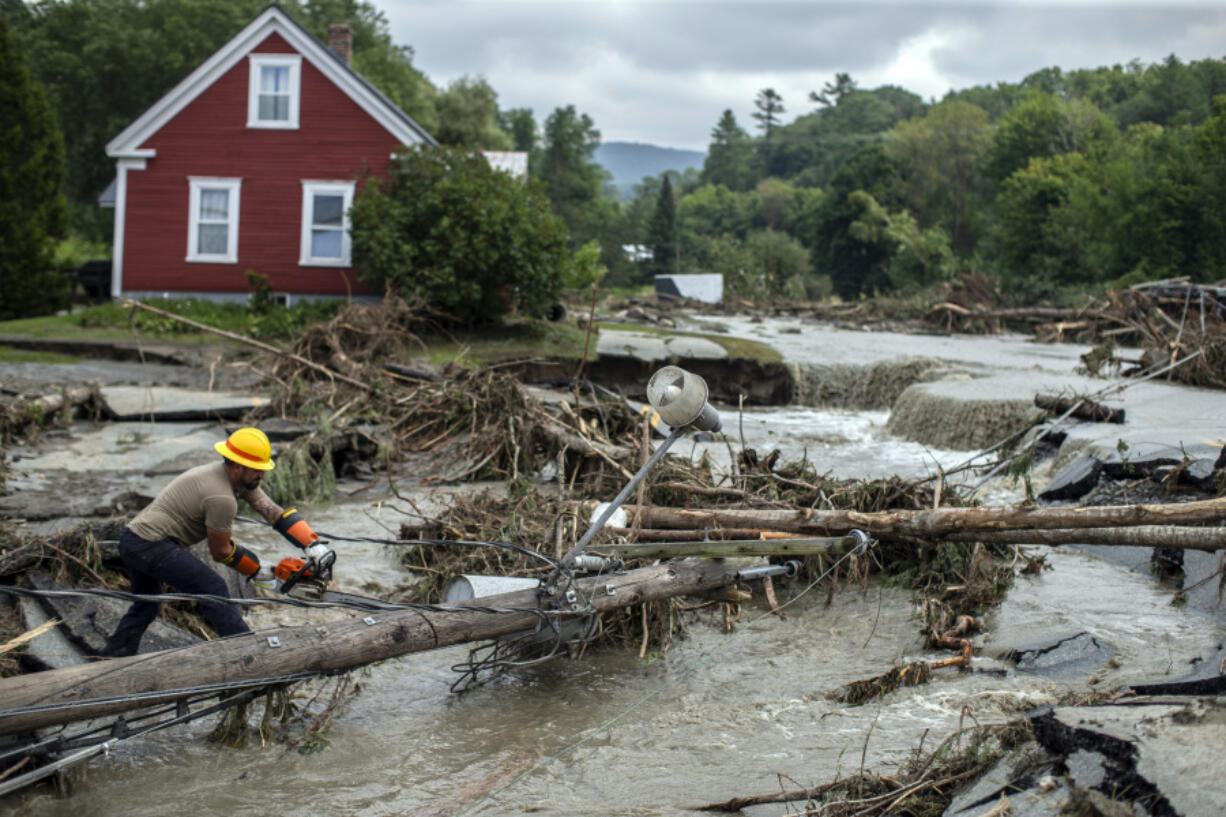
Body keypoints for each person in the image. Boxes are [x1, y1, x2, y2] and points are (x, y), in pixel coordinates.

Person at [99, 427, 330, 658]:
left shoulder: (232, 477)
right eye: (258, 470)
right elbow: (220, 551)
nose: (263, 476)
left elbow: (272, 513)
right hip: (150, 545)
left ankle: (114, 655)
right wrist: (259, 571)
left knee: (146, 605)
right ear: (239, 466)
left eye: (263, 470)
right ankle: (247, 657)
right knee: (213, 588)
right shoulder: (221, 497)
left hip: (134, 541)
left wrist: (312, 544)